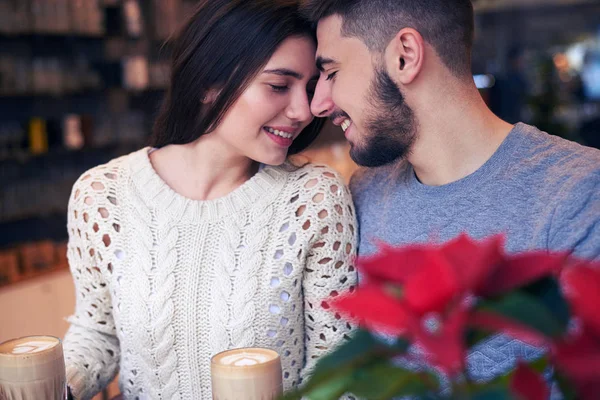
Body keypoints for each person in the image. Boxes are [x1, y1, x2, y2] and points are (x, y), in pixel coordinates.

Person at [62, 1, 358, 398]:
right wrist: (60, 383)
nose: (303, 110)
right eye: (277, 85)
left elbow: (335, 360)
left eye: (308, 88)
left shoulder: (313, 199)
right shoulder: (102, 195)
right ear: (208, 84)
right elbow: (97, 333)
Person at [304, 0, 600, 388]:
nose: (317, 104)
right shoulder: (364, 190)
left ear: (405, 56)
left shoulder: (580, 193)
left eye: (331, 72)